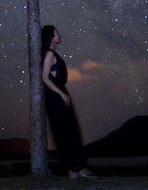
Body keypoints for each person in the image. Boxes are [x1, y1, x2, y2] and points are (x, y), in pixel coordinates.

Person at [41, 25, 95, 179]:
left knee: (65, 133)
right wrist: (60, 93)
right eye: (57, 32)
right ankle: (79, 169)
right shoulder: (49, 54)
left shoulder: (51, 54)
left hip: (57, 96)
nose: (59, 34)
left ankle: (73, 171)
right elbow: (44, 77)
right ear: (52, 36)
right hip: (56, 97)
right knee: (68, 132)